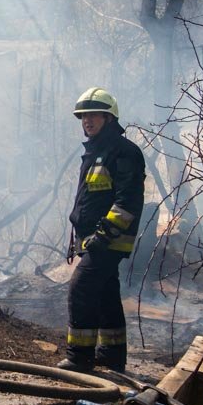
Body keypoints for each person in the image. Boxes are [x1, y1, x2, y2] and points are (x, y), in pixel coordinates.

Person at [59, 87, 145, 374]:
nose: (87, 121)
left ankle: (80, 357)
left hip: (109, 239)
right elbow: (89, 200)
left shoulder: (124, 152)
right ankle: (111, 355)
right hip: (93, 238)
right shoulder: (95, 151)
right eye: (84, 116)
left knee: (81, 288)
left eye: (94, 115)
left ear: (109, 118)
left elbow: (128, 201)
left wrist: (104, 234)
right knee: (107, 292)